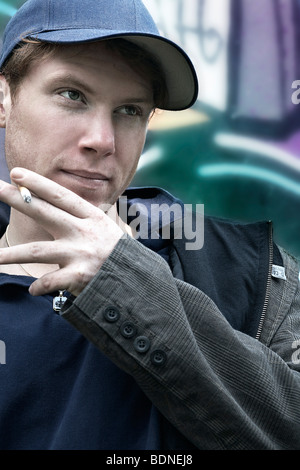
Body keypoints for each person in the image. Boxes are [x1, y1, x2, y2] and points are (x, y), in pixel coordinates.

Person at [0, 0, 299, 451]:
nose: (101, 141)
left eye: (129, 110)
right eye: (72, 95)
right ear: (4, 100)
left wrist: (119, 278)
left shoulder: (247, 268)